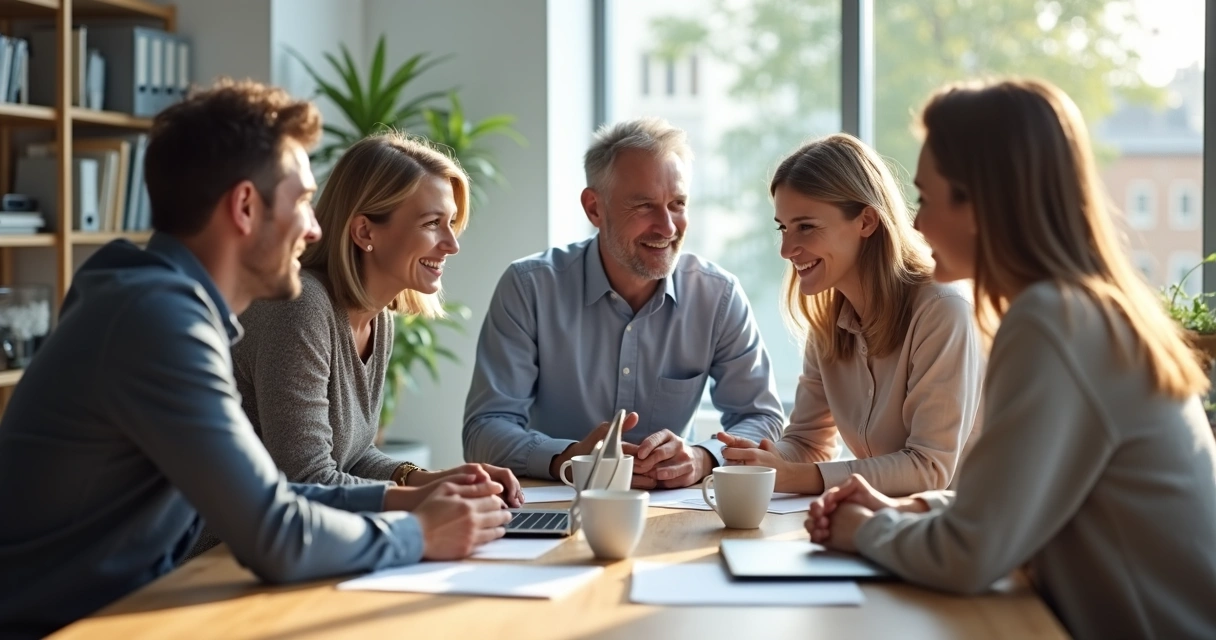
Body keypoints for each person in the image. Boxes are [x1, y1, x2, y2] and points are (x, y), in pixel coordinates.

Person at [0, 80, 510, 639]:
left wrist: (411, 496)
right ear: (245, 207)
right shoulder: (157, 320)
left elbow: (271, 495)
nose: (315, 228)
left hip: (130, 606)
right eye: (301, 201)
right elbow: (274, 534)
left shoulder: (163, 304)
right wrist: (421, 532)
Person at [805, 78, 1216, 639]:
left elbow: (969, 555)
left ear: (979, 202)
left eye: (926, 197)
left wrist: (862, 530)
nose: (917, 224)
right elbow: (1014, 501)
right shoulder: (1081, 309)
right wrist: (911, 509)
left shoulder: (1054, 322)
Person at [463, 117, 784, 489]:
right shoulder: (529, 288)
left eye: (677, 204)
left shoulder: (718, 295)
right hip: (558, 503)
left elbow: (762, 419)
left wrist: (702, 456)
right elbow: (484, 430)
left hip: (674, 510)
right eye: (645, 206)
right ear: (594, 208)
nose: (667, 227)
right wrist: (571, 458)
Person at [231, 132, 522, 503]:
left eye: (450, 223)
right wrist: (428, 499)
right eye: (433, 223)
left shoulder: (376, 316)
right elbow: (308, 479)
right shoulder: (300, 307)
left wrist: (435, 479)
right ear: (365, 230)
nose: (452, 244)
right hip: (222, 550)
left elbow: (353, 457)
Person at [716, 134, 983, 497]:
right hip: (886, 528)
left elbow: (929, 468)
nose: (786, 249)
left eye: (806, 226)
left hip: (964, 536)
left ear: (866, 222)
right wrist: (759, 461)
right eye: (783, 227)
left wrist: (790, 476)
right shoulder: (829, 321)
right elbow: (809, 442)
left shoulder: (943, 309)